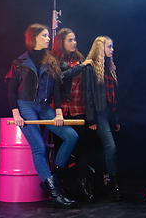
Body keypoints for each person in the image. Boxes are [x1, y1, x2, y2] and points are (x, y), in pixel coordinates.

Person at [5, 23, 78, 208]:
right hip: (25, 106)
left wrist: (59, 112)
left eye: (48, 35)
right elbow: (11, 91)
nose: (48, 38)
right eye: (45, 35)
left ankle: (52, 178)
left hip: (45, 107)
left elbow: (55, 89)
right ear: (34, 36)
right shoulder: (19, 62)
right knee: (38, 147)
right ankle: (55, 192)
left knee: (71, 136)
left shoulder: (51, 60)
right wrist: (16, 113)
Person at [51, 28, 95, 202]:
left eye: (75, 39)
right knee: (63, 149)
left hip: (79, 109)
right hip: (60, 111)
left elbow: (89, 88)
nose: (74, 43)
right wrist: (81, 66)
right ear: (61, 42)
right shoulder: (55, 61)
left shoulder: (81, 59)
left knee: (83, 149)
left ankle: (82, 184)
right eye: (70, 40)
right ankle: (63, 186)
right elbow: (61, 77)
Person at [82, 36, 122, 201]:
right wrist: (91, 119)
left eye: (112, 47)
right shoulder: (90, 68)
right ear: (101, 48)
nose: (112, 50)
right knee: (110, 148)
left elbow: (114, 97)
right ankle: (116, 188)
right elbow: (87, 95)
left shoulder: (110, 67)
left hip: (108, 114)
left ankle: (99, 185)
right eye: (109, 46)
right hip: (98, 114)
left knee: (102, 151)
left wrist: (116, 119)